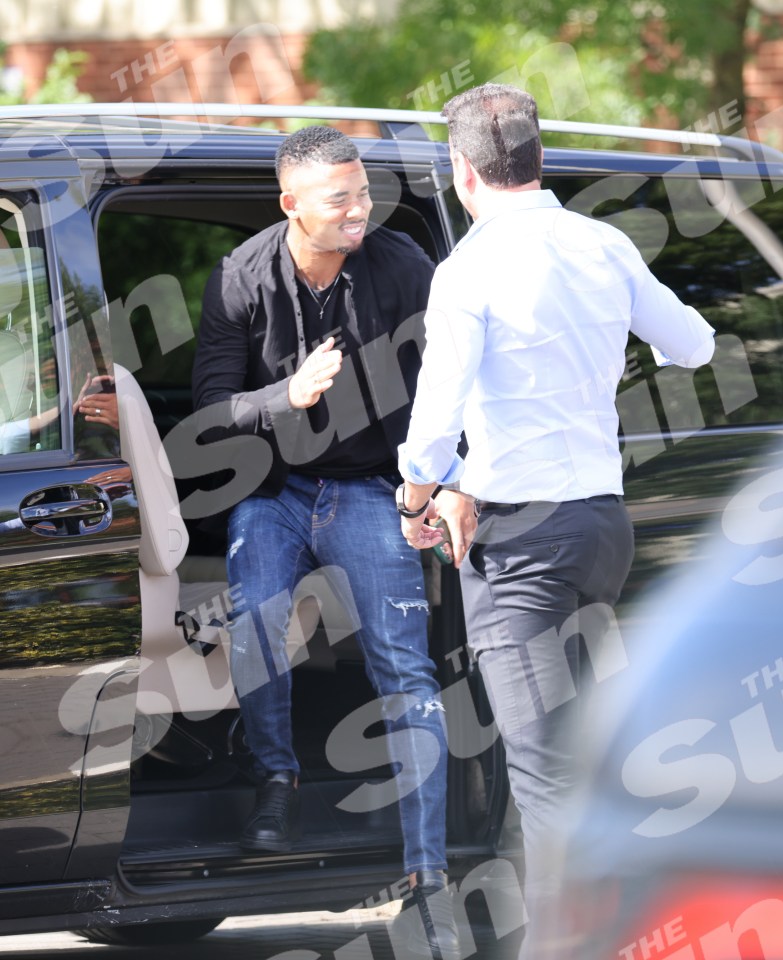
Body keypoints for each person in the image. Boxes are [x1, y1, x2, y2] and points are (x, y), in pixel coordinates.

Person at [395, 83, 716, 956]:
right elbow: (694, 346)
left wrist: (417, 495)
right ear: (538, 160)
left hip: (520, 543)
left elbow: (434, 418)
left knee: (540, 776)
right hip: (602, 527)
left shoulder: (469, 269)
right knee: (579, 762)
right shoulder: (603, 244)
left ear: (462, 172)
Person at [192, 126, 474, 960]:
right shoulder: (241, 277)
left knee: (405, 666)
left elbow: (455, 381)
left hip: (371, 490)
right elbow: (211, 411)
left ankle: (427, 876)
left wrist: (445, 483)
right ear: (291, 206)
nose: (360, 211)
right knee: (253, 623)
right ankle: (276, 782)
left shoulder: (400, 267)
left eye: (363, 193)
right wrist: (286, 392)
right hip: (275, 493)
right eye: (339, 199)